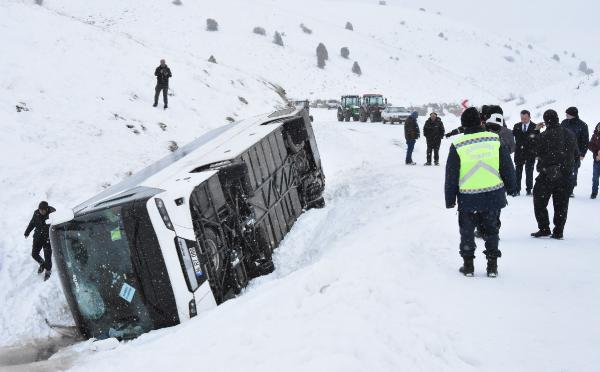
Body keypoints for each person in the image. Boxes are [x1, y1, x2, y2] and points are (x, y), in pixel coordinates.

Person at [445, 107, 516, 277]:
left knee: (467, 232)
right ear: (481, 122)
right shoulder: (494, 139)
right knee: (492, 231)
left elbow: (451, 175)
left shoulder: (458, 144)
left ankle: (468, 266)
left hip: (468, 198)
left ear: (463, 124)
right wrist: (512, 187)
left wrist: (450, 199)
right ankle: (492, 266)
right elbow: (507, 167)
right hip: (493, 195)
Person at [531, 110, 579, 240]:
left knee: (539, 201)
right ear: (557, 119)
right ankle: (558, 231)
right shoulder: (570, 133)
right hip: (565, 175)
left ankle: (544, 228)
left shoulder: (544, 135)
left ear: (546, 121)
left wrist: (535, 131)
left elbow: (534, 149)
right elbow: (576, 154)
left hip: (547, 175)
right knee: (561, 205)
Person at [561, 107, 589, 197]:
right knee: (562, 170)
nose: (566, 115)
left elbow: (585, 141)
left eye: (567, 114)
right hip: (563, 152)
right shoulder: (564, 123)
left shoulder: (582, 125)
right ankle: (563, 188)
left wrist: (582, 153)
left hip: (575, 153)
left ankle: (570, 190)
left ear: (572, 114)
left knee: (573, 171)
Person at [24, 201, 56, 281]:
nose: (41, 211)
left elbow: (56, 226)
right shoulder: (36, 213)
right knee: (34, 254)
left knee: (47, 257)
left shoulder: (52, 215)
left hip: (47, 240)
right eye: (40, 209)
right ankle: (42, 263)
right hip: (37, 238)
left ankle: (48, 271)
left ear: (47, 209)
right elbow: (32, 223)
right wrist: (27, 232)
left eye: (43, 210)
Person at [512, 110, 539, 196]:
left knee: (529, 172)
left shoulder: (535, 127)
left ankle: (529, 189)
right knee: (518, 172)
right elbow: (515, 137)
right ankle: (517, 189)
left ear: (529, 117)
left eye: (525, 118)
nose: (523, 120)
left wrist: (537, 153)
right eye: (522, 118)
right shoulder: (516, 126)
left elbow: (537, 140)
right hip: (519, 152)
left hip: (530, 153)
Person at [588, 122, 600, 199]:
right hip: (597, 160)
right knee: (595, 177)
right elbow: (590, 145)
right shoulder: (595, 135)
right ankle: (594, 192)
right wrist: (597, 152)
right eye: (599, 127)